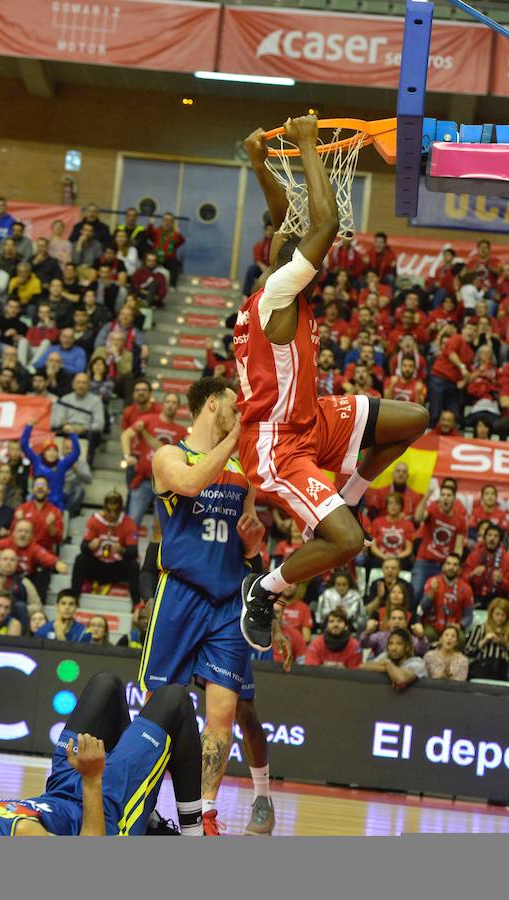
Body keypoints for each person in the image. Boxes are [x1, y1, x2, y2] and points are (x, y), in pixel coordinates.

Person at [235, 117, 428, 651]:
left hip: (310, 416)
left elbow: (288, 223)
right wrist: (304, 146)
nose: (292, 235)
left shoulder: (269, 289)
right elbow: (324, 223)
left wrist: (259, 163)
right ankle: (267, 588)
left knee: (414, 420)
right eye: (289, 244)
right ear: (287, 264)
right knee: (347, 541)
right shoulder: (276, 293)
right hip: (279, 445)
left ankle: (350, 491)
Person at [139, 376, 268, 834]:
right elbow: (192, 484)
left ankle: (204, 814)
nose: (242, 413)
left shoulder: (243, 472)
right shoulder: (170, 456)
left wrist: (254, 546)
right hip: (180, 594)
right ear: (212, 404)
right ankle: (147, 805)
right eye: (235, 406)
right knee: (160, 705)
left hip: (226, 603)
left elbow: (252, 549)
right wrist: (237, 436)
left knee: (223, 715)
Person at [0, 670, 204, 837]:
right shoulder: (22, 834)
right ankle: (194, 833)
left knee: (107, 685)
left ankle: (147, 817)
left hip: (61, 791)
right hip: (102, 811)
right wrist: (92, 780)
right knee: (174, 698)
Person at [121, 392, 187, 525]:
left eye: (174, 403)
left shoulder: (182, 431)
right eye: (168, 401)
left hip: (166, 484)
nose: (170, 405)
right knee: (132, 522)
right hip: (143, 479)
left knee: (161, 527)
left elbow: (161, 448)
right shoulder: (148, 419)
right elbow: (126, 435)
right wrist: (128, 456)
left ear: (178, 407)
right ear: (162, 404)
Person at [71, 491, 140, 607]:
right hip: (97, 566)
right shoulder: (94, 520)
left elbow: (134, 552)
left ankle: (136, 605)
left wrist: (123, 550)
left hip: (116, 568)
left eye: (116, 511)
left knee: (134, 565)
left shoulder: (129, 523)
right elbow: (83, 547)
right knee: (80, 559)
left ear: (121, 509)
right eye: (109, 511)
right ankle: (74, 598)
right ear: (104, 508)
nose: (112, 514)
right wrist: (90, 546)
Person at [411, 484, 467, 605]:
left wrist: (452, 565)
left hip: (443, 565)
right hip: (424, 562)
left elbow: (458, 547)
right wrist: (425, 498)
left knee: (437, 599)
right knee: (415, 592)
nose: (445, 498)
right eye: (443, 495)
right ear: (439, 498)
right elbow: (418, 518)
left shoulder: (461, 520)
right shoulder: (432, 510)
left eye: (449, 495)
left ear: (454, 499)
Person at [20, 422, 80, 510]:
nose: (52, 453)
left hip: (56, 505)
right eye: (49, 450)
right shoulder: (37, 461)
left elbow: (76, 453)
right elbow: (24, 445)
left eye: (55, 450)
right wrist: (28, 427)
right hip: (38, 502)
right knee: (28, 497)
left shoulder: (62, 464)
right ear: (43, 453)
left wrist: (72, 433)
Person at [52, 372, 104, 464]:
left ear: (88, 385)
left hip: (85, 431)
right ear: (73, 384)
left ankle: (86, 465)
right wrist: (65, 425)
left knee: (93, 435)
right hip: (67, 430)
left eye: (84, 383)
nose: (81, 385)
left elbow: (100, 424)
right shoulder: (65, 399)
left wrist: (84, 428)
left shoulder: (96, 401)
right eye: (78, 382)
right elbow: (56, 421)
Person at [421, 553, 474, 643]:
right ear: (443, 567)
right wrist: (431, 593)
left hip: (453, 628)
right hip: (433, 625)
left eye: (455, 565)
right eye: (448, 564)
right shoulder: (432, 582)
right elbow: (423, 608)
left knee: (460, 639)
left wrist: (460, 625)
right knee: (426, 636)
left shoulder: (466, 589)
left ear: (460, 570)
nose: (451, 567)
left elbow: (469, 616)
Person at [361, 628, 426, 690]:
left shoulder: (417, 663)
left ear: (407, 647)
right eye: (391, 643)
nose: (393, 648)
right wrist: (387, 669)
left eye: (399, 644)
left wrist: (387, 664)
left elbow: (400, 680)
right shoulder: (386, 656)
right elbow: (362, 666)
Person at [12, 476, 63, 553]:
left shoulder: (55, 512)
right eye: (37, 485)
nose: (40, 487)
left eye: (43, 485)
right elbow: (12, 535)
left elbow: (58, 540)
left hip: (44, 553)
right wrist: (19, 522)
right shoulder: (22, 508)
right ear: (33, 490)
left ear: (49, 490)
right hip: (23, 551)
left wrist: (51, 526)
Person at [462, 524, 509, 608]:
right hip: (476, 596)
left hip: (498, 599)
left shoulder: (506, 559)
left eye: (496, 536)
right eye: (489, 535)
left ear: (500, 540)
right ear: (484, 538)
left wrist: (501, 581)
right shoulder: (474, 556)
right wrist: (472, 574)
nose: (492, 539)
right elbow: (462, 582)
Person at [464, 596, 509, 681]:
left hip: (504, 667)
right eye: (497, 614)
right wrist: (483, 641)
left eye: (503, 615)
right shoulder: (480, 628)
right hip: (483, 664)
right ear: (491, 613)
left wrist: (505, 643)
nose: (500, 618)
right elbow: (467, 651)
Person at [360, 606, 428, 658]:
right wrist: (367, 632)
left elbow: (422, 649)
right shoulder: (380, 636)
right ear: (389, 622)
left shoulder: (411, 639)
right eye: (393, 618)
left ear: (405, 623)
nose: (397, 621)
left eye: (400, 619)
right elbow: (363, 644)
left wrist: (421, 636)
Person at [369, 492, 415, 569]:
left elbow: (408, 549)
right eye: (390, 503)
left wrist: (395, 557)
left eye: (397, 503)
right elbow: (373, 547)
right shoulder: (377, 522)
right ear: (386, 506)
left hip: (399, 559)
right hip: (380, 557)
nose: (393, 506)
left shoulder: (408, 525)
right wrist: (385, 557)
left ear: (401, 506)